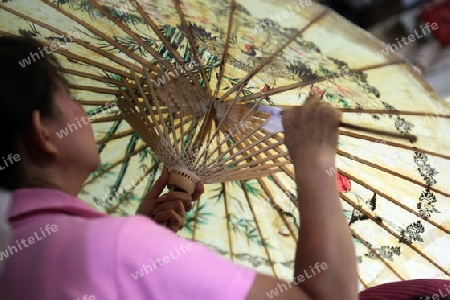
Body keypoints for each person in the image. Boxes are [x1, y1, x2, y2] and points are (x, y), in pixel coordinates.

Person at [0, 36, 358, 300]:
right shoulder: (116, 248)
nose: (82, 114)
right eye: (72, 99)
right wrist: (316, 159)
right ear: (43, 134)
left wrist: (143, 266)